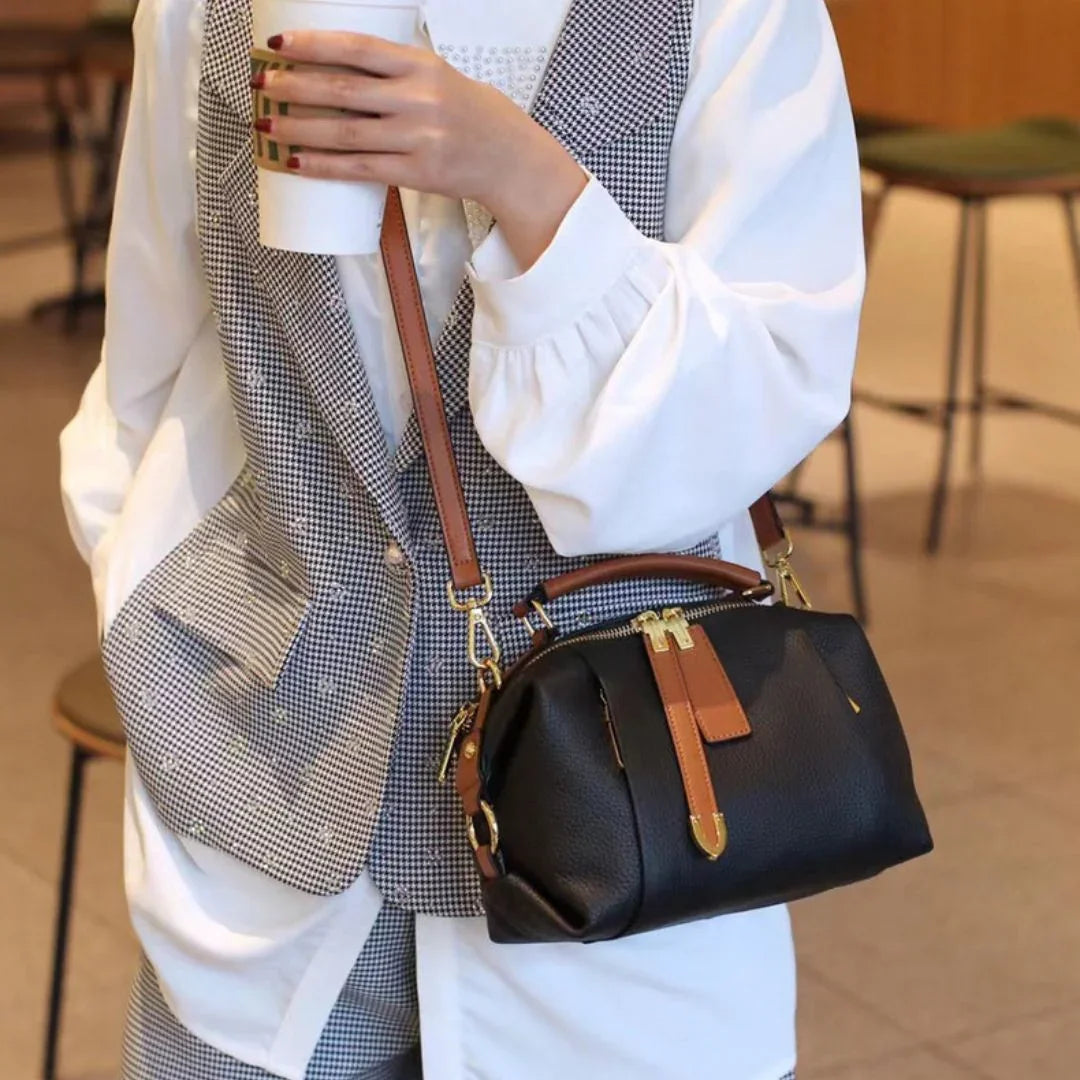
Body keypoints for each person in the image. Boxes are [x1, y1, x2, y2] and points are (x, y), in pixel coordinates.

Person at [59, 0, 864, 1076]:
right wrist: (144, 609)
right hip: (258, 846)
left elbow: (771, 381)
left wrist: (524, 180)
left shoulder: (736, 14)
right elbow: (151, 362)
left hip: (622, 842)